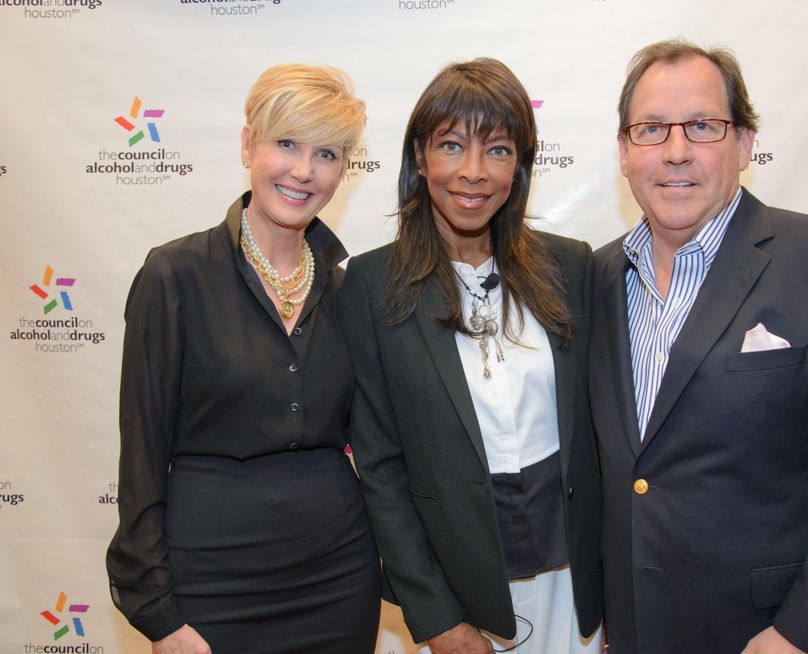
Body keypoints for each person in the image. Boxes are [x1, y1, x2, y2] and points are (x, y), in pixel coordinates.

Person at [589, 39, 808, 654]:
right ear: (624, 152)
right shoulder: (593, 278)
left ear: (745, 143)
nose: (676, 151)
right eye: (651, 130)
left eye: (703, 125)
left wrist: (804, 634)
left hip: (772, 635)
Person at [106, 64, 381, 654]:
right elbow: (141, 455)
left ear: (343, 170)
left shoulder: (350, 291)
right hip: (209, 584)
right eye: (287, 143)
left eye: (326, 154)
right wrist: (157, 612)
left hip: (337, 579)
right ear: (247, 145)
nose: (304, 170)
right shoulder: (175, 276)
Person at [336, 58, 603, 654]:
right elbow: (379, 468)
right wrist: (435, 619)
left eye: (498, 150)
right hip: (457, 589)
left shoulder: (572, 266)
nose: (474, 172)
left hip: (573, 584)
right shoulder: (372, 285)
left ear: (521, 166)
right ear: (420, 157)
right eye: (452, 145)